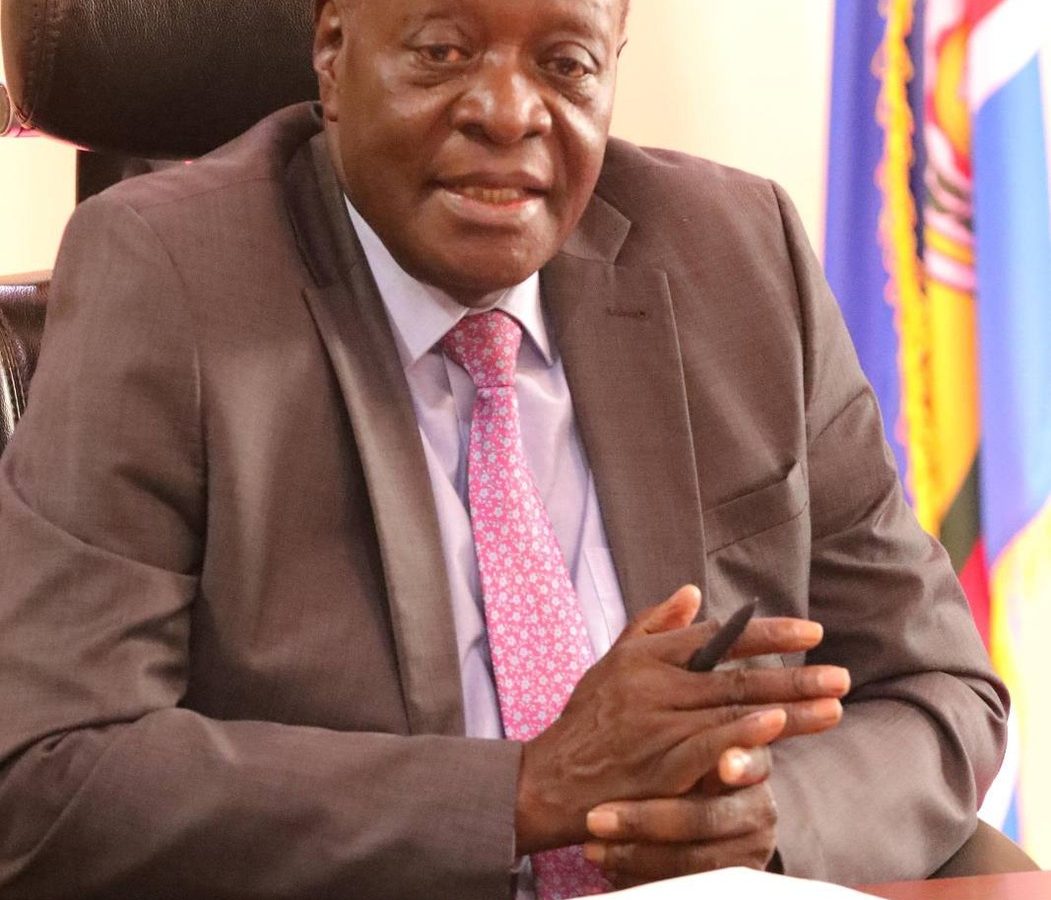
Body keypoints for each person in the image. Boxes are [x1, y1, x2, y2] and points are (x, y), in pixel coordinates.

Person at [0, 0, 1007, 897]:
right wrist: (522, 792)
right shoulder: (168, 275)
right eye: (442, 52)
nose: (508, 112)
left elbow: (937, 688)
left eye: (565, 64)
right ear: (333, 53)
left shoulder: (736, 252)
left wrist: (764, 824)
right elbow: (47, 773)